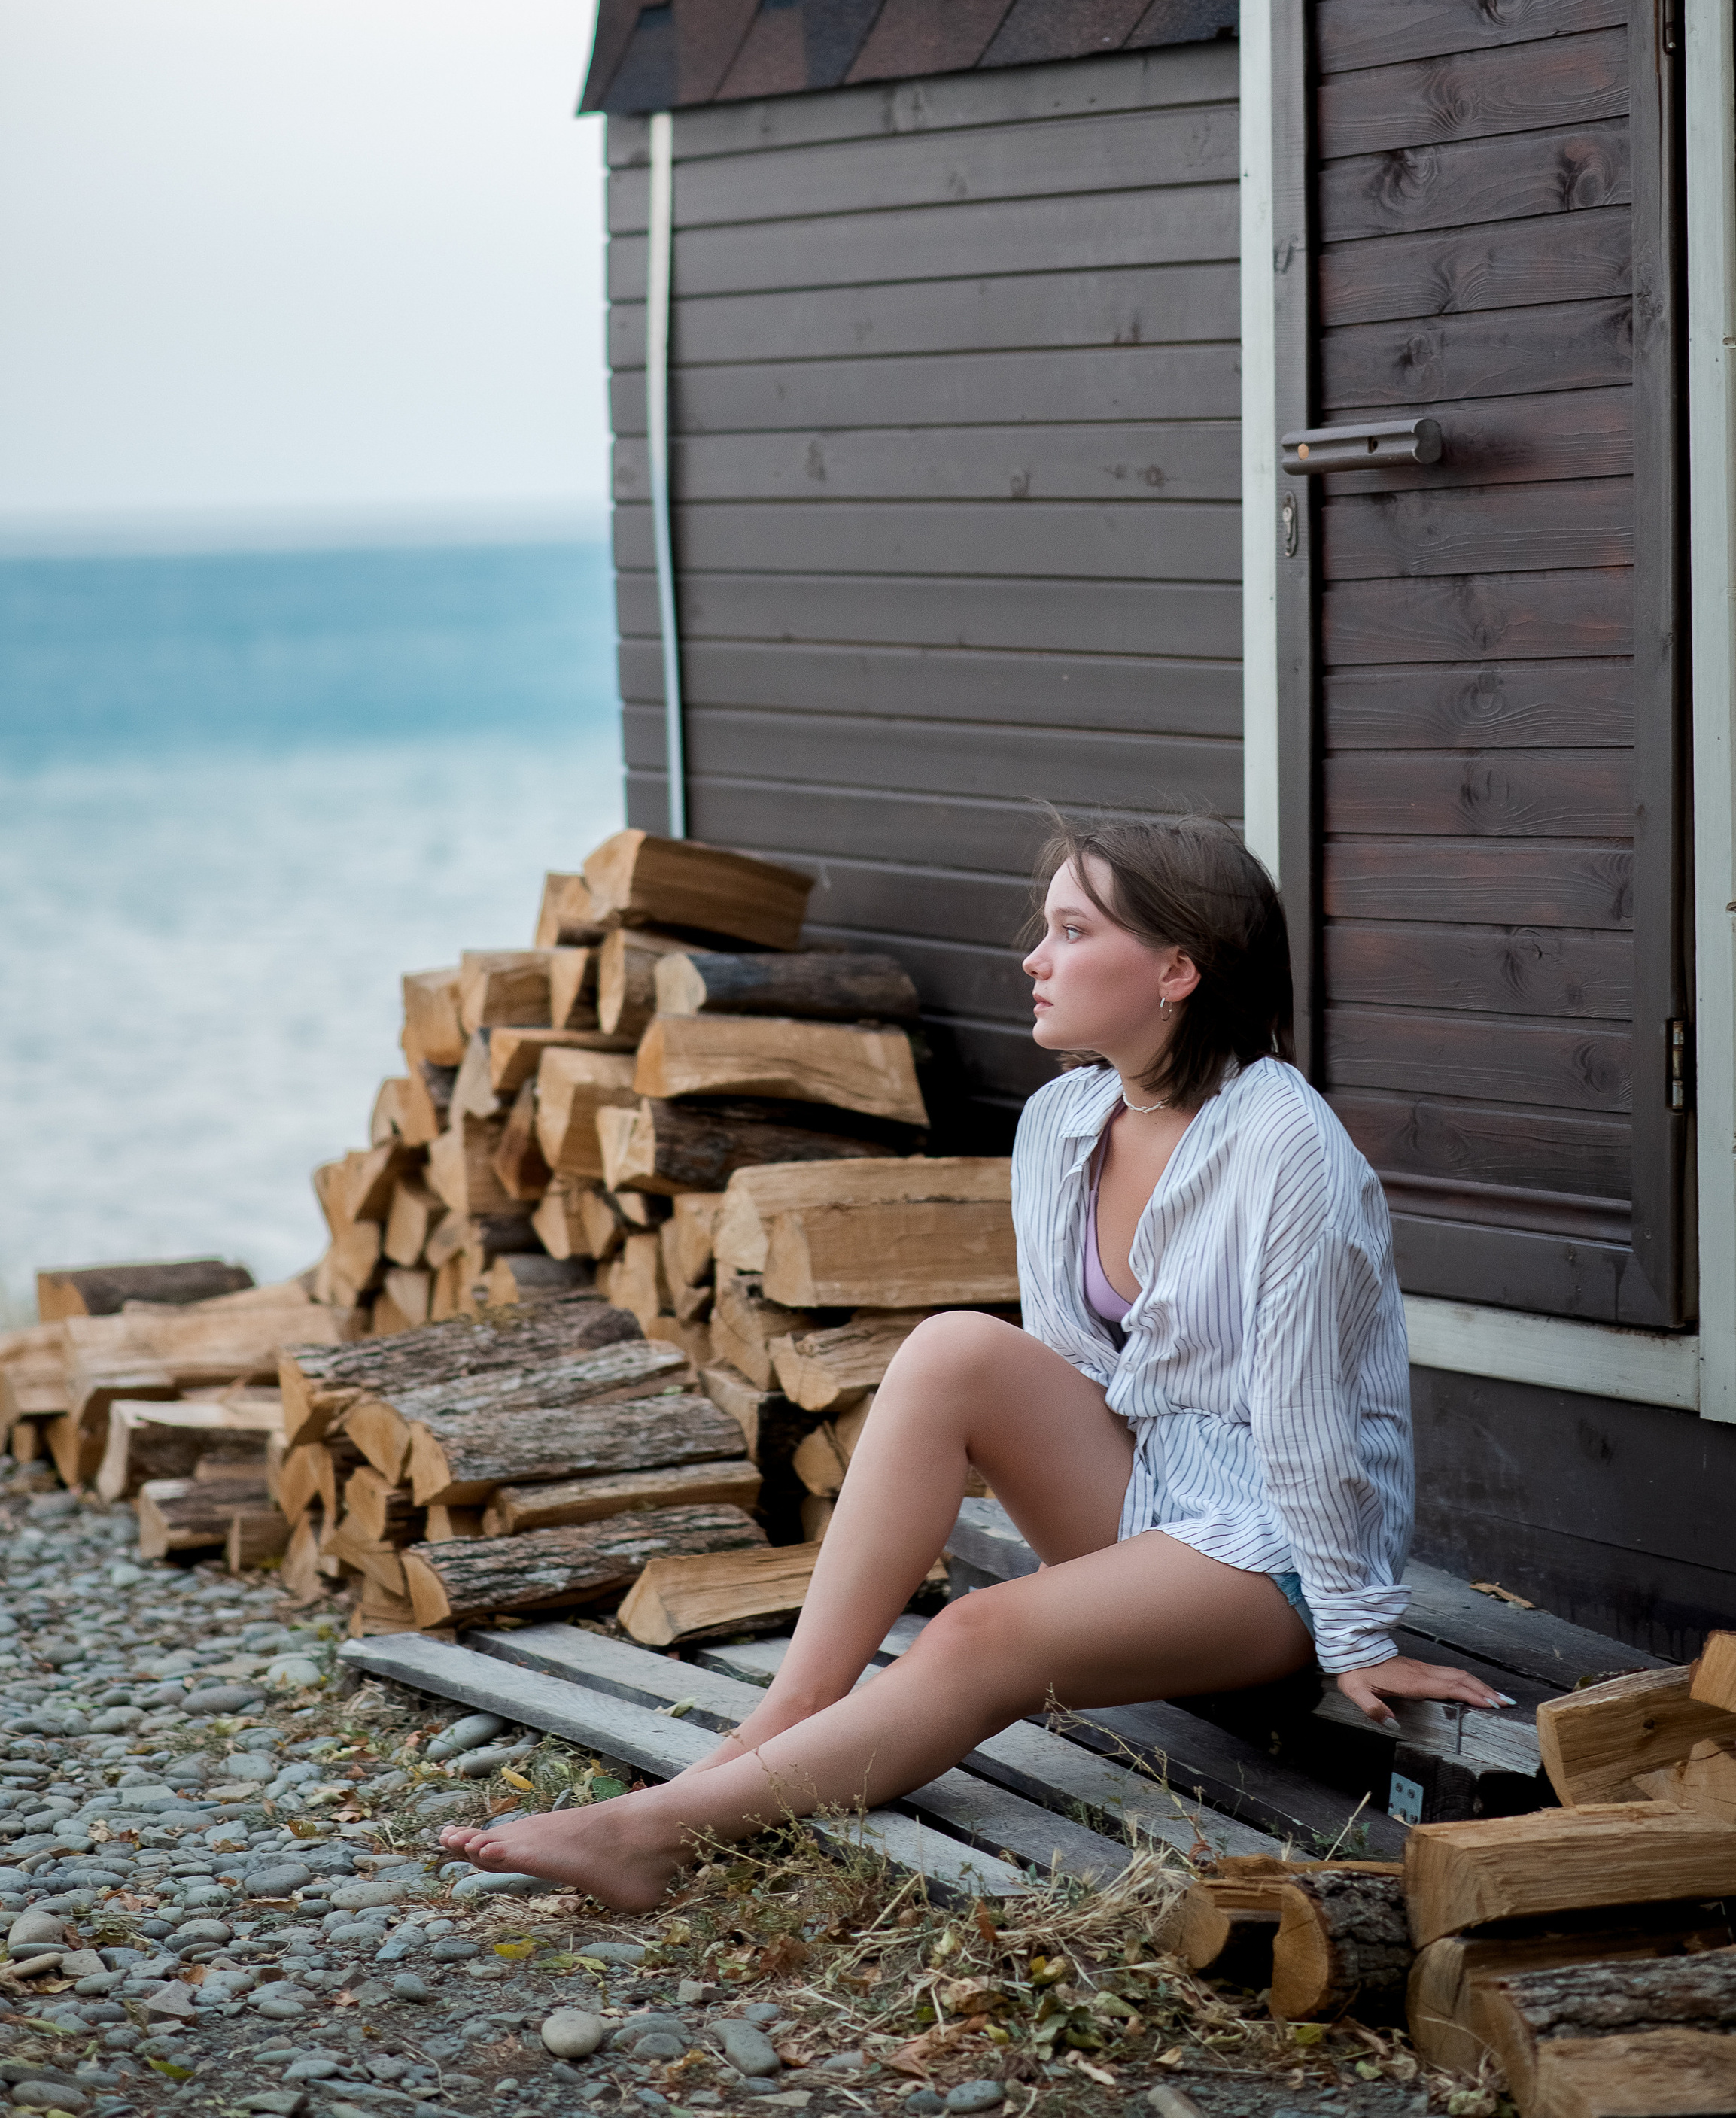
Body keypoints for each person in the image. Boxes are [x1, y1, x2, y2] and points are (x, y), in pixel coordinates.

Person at [439, 808, 1507, 1911]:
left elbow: (1314, 1424)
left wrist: (1356, 1631)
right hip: (1153, 1492)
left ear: (1177, 968)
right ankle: (784, 1723)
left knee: (980, 1627)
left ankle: (652, 1835)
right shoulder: (1063, 1119)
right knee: (952, 1347)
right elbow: (1062, 1367)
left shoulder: (1289, 1148)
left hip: (1279, 1550)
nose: (1034, 961)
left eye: (1073, 932)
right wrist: (1107, 1565)